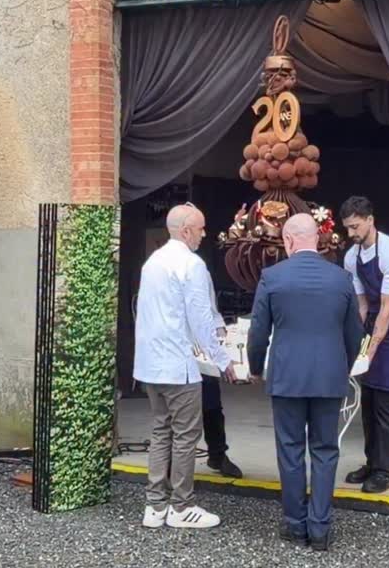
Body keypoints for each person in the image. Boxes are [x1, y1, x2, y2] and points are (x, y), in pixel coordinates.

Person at [247, 214, 363, 550]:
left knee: (290, 449)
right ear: (318, 239)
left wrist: (255, 367)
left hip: (287, 376)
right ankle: (320, 528)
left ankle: (295, 524)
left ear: (288, 240)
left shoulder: (272, 277)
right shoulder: (341, 278)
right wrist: (344, 366)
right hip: (329, 376)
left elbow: (258, 332)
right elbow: (355, 333)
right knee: (325, 450)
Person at [133, 202, 236, 530]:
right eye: (201, 229)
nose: (204, 234)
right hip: (178, 364)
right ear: (187, 230)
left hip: (150, 364)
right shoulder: (192, 264)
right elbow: (201, 319)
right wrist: (223, 361)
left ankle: (155, 506)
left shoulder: (152, 262)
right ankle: (181, 506)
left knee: (161, 430)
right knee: (186, 435)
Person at [340, 195, 389, 494]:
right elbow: (363, 306)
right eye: (348, 228)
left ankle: (386, 471)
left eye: (356, 227)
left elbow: (387, 308)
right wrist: (357, 343)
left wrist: (370, 352)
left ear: (370, 220)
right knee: (369, 400)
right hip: (373, 322)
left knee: (386, 401)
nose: (351, 233)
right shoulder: (352, 257)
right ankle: (372, 463)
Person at [200, 276, 243, 479]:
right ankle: (171, 462)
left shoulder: (201, 271)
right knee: (178, 411)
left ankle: (217, 454)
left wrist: (222, 335)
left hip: (205, 347)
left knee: (212, 404)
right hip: (179, 345)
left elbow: (212, 310)